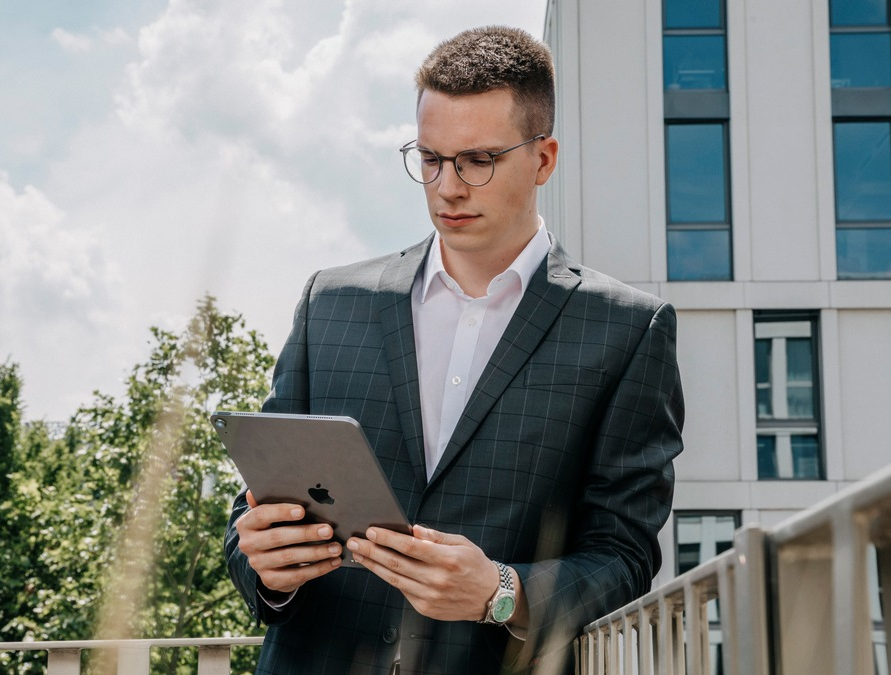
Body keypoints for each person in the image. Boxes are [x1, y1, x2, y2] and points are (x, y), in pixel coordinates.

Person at [225, 25, 684, 675]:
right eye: (431, 158)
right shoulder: (330, 303)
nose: (447, 187)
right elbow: (255, 514)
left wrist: (501, 593)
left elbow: (622, 556)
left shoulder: (628, 331)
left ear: (543, 159)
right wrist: (268, 565)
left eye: (477, 160)